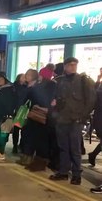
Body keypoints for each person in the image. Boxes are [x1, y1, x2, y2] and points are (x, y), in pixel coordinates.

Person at [49, 57, 96, 185]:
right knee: (63, 147)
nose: (73, 67)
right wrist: (55, 104)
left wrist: (82, 117)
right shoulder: (60, 81)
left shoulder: (83, 80)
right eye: (70, 65)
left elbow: (91, 100)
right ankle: (63, 172)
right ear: (65, 66)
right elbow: (56, 97)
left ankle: (76, 174)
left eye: (75, 65)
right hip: (62, 119)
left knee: (75, 149)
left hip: (76, 120)